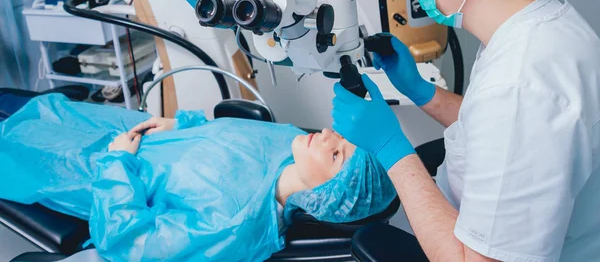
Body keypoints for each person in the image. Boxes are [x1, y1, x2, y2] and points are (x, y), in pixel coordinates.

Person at [332, 0, 600, 262]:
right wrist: (421, 92)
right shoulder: (542, 24)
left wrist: (391, 147)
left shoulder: (520, 85)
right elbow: (493, 129)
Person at [0, 93, 396, 262]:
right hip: (136, 133)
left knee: (15, 143)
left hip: (95, 168)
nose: (328, 135)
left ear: (327, 192)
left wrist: (117, 163)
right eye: (341, 138)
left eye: (337, 153)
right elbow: (222, 131)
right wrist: (180, 123)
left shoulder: (232, 226)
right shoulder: (292, 140)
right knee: (47, 108)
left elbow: (128, 243)